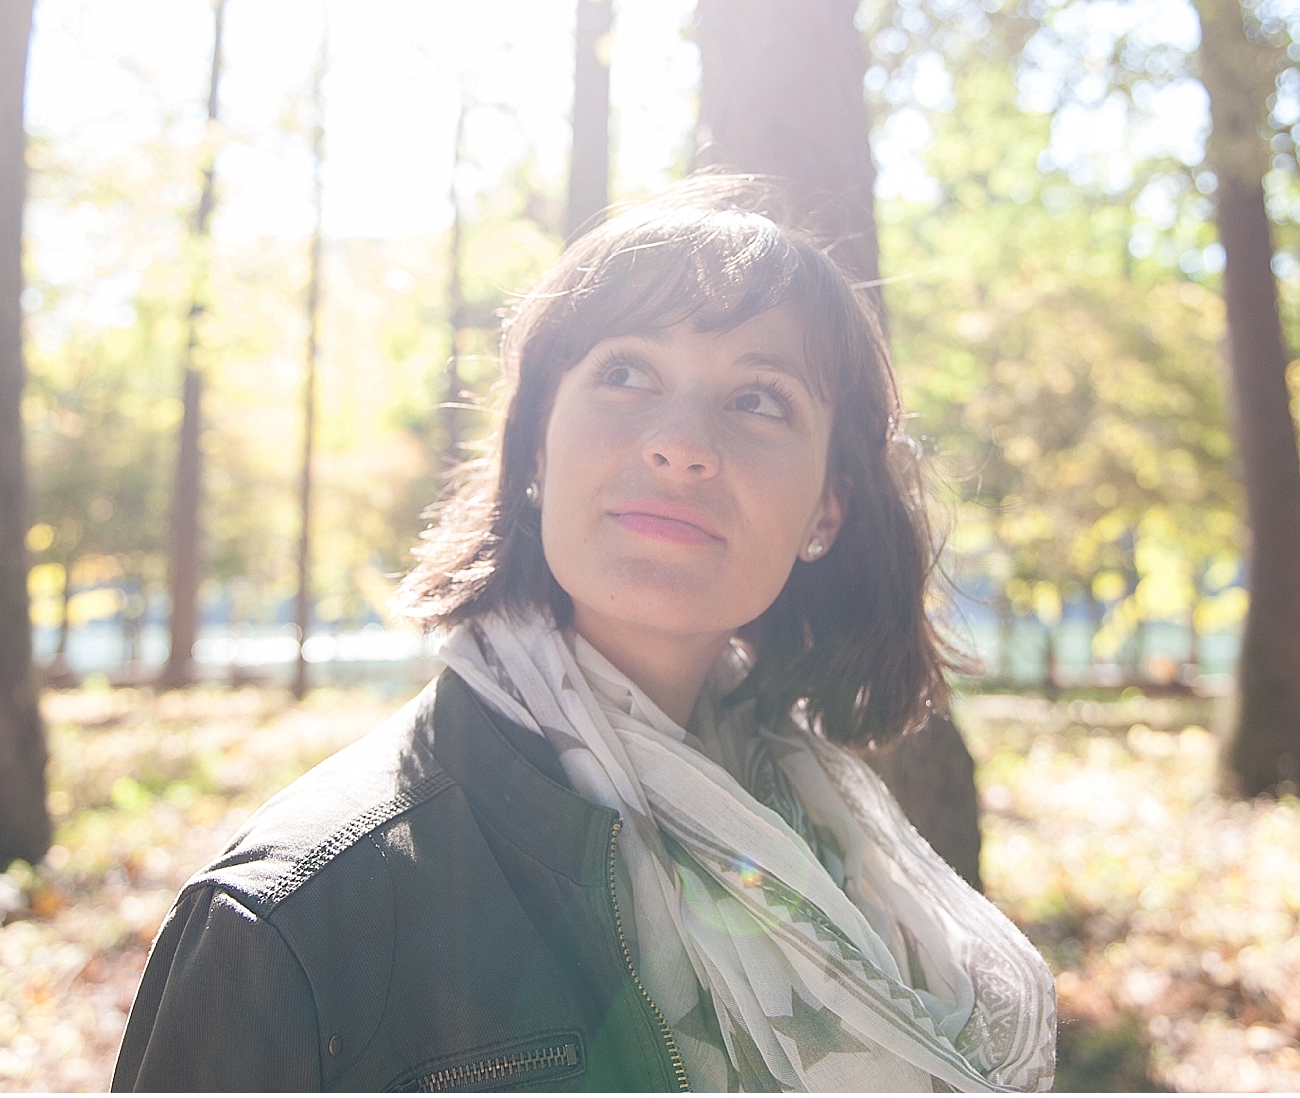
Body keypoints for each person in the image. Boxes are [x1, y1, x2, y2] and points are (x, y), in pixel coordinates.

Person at [113, 178, 1056, 1091]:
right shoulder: (296, 917)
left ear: (827, 512)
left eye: (760, 397)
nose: (681, 443)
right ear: (533, 451)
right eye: (626, 372)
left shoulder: (842, 853)